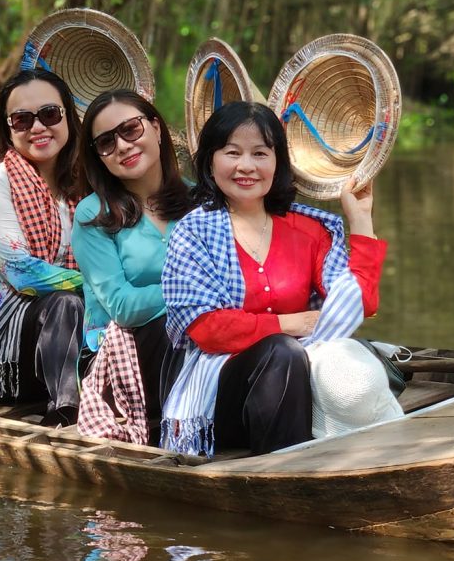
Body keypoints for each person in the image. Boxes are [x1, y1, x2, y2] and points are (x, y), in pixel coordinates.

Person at [160, 100, 392, 456]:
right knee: (281, 351)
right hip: (219, 399)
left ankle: (302, 461)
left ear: (278, 162)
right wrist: (288, 323)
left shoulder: (310, 229)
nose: (246, 166)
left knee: (309, 360)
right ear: (210, 161)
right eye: (232, 152)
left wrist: (361, 220)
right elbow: (207, 328)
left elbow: (356, 302)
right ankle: (289, 469)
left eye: (260, 154)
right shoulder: (193, 232)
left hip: (298, 381)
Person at [0, 68, 85, 425]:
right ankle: (65, 414)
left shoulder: (82, 185)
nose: (38, 128)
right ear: (8, 129)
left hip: (73, 340)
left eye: (49, 114)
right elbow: (23, 273)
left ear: (68, 118)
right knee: (65, 302)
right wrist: (103, 285)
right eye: (22, 120)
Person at [70, 90, 192, 444]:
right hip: (120, 356)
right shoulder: (93, 215)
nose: (122, 146)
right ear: (98, 157)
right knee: (166, 325)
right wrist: (196, 292)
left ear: (155, 127)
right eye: (107, 142)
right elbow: (123, 308)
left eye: (131, 130)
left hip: (199, 340)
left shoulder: (197, 201)